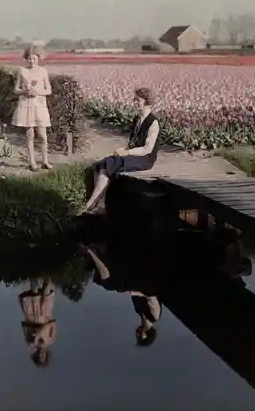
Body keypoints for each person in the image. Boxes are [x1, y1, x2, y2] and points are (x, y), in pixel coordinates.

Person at [77, 87, 160, 216]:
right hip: (134, 154)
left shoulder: (153, 123)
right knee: (100, 165)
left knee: (110, 162)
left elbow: (147, 149)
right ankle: (101, 205)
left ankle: (89, 205)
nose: (134, 102)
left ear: (147, 102)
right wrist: (124, 149)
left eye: (138, 100)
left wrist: (127, 153)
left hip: (145, 159)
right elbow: (133, 142)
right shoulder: (137, 119)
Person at [79, 242, 162, 347]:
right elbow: (150, 294)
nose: (138, 334)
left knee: (104, 282)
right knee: (108, 283)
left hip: (135, 285)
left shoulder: (139, 311)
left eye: (138, 336)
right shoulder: (154, 315)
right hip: (142, 282)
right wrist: (132, 292)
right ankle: (90, 252)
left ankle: (95, 253)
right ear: (148, 335)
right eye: (141, 336)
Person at [11, 45, 53, 170]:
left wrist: (38, 92)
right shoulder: (22, 71)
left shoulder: (43, 71)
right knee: (30, 135)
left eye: (34, 59)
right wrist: (24, 91)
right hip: (27, 105)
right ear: (26, 59)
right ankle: (32, 162)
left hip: (40, 105)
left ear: (38, 58)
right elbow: (16, 90)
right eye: (29, 59)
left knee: (42, 135)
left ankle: (45, 161)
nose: (32, 61)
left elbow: (49, 90)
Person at [18, 277, 58, 367]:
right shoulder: (50, 340)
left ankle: (34, 271)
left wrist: (34, 333)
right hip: (45, 313)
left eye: (38, 357)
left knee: (34, 290)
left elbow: (24, 326)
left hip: (31, 314)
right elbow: (53, 324)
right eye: (42, 357)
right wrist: (40, 330)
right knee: (47, 286)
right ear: (46, 355)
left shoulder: (30, 342)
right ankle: (49, 269)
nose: (40, 355)